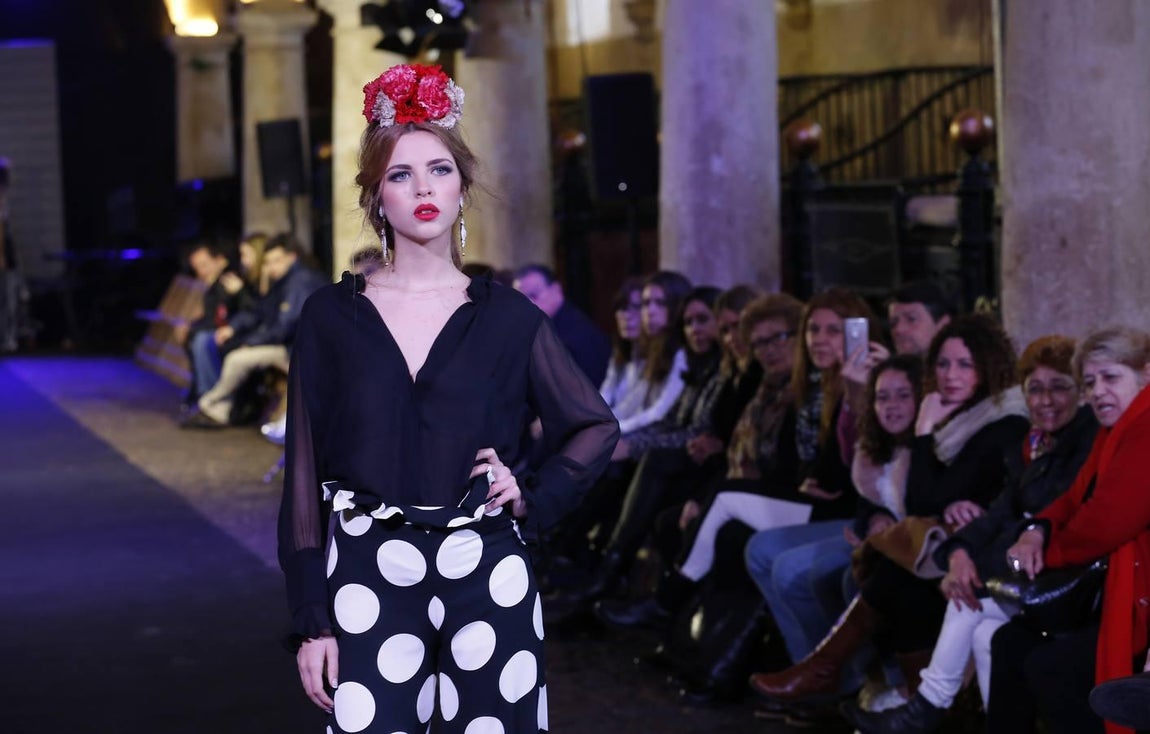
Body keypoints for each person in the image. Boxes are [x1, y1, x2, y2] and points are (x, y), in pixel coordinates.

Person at [278, 63, 618, 734]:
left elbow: (593, 427)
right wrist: (311, 622)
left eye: (439, 169)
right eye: (400, 176)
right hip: (368, 570)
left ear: (463, 186)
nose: (423, 188)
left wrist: (532, 495)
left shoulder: (507, 318)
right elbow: (302, 478)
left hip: (486, 565)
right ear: (377, 198)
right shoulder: (330, 318)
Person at [749, 314, 1028, 707]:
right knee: (887, 571)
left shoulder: (1000, 422)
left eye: (965, 364)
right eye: (944, 364)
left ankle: (843, 675)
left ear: (988, 366)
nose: (951, 374)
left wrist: (924, 434)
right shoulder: (959, 419)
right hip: (944, 546)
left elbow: (922, 501)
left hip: (987, 552)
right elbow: (911, 496)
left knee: (895, 576)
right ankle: (868, 683)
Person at [844, 335, 1098, 733]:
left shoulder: (1085, 442)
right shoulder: (1035, 443)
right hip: (1020, 566)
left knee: (965, 599)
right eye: (1035, 389)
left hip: (1071, 578)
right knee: (985, 631)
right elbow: (999, 512)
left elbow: (1044, 521)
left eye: (1059, 387)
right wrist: (958, 553)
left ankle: (926, 707)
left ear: (1081, 392)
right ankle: (941, 710)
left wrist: (970, 566)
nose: (1046, 400)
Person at [989, 326, 1150, 734]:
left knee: (1052, 668)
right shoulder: (1112, 430)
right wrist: (1036, 531)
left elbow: (1105, 523)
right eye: (1090, 382)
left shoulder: (1145, 427)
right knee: (1009, 643)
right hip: (1113, 590)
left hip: (1140, 601)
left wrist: (1047, 554)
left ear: (1146, 374)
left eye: (1111, 378)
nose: (1097, 392)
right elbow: (1075, 497)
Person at [183, 233, 326, 428]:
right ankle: (218, 409)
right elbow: (260, 312)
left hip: (298, 351)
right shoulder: (282, 280)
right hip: (287, 344)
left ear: (292, 257)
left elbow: (285, 325)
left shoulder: (299, 281)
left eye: (277, 261)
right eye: (268, 262)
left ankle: (208, 403)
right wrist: (235, 330)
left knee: (236, 357)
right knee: (218, 345)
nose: (271, 266)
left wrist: (251, 341)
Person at [513, 263, 610, 387]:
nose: (527, 304)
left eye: (534, 295)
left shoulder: (577, 334)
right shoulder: (538, 327)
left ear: (556, 290)